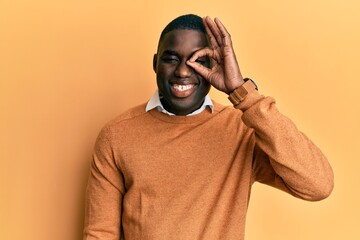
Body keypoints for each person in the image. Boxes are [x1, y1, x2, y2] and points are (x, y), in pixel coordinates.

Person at [83, 14, 334, 240]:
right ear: (155, 63)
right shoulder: (117, 135)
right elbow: (100, 233)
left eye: (197, 61)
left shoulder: (241, 131)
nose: (183, 71)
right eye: (171, 59)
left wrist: (243, 93)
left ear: (214, 67)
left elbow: (318, 185)